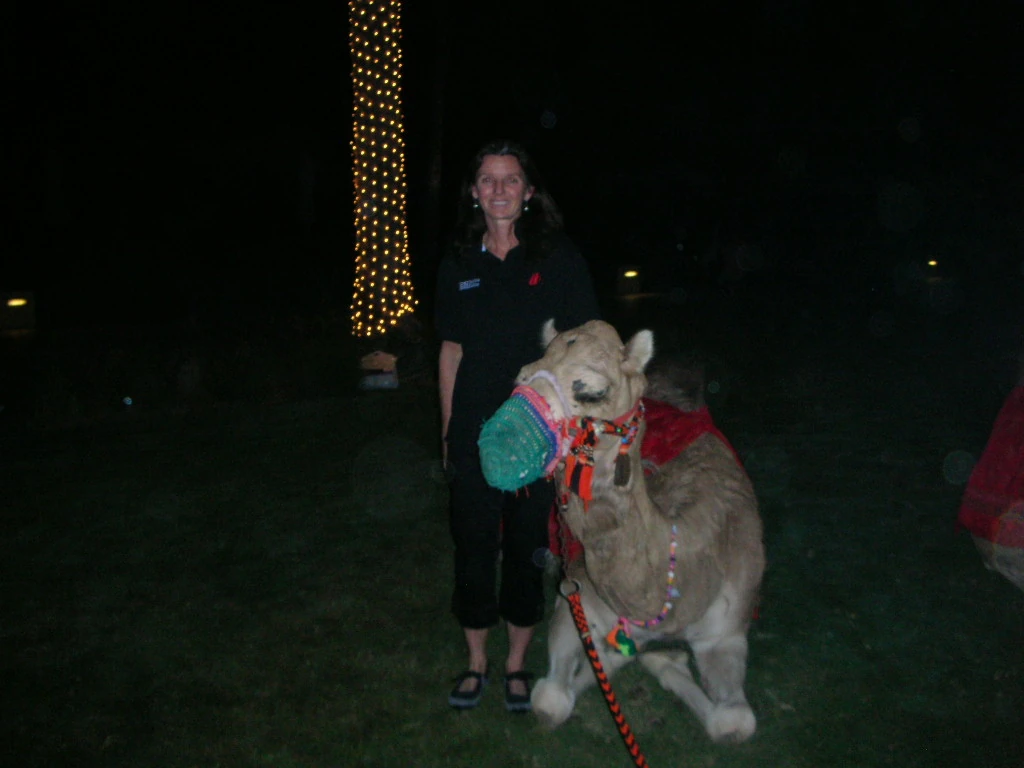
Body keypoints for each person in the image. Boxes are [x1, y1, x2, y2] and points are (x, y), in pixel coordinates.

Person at [435, 140, 600, 712]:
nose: (499, 189)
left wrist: (572, 433)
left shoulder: (558, 258)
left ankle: (515, 664)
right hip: (474, 430)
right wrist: (449, 430)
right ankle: (477, 660)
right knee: (474, 543)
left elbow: (583, 347)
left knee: (529, 544)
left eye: (511, 180)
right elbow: (451, 351)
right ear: (474, 192)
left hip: (540, 433)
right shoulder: (459, 262)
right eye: (488, 179)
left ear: (529, 191)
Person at [358, 313, 433, 390]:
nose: (406, 327)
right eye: (405, 324)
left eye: (408, 325)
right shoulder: (397, 341)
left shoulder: (419, 344)